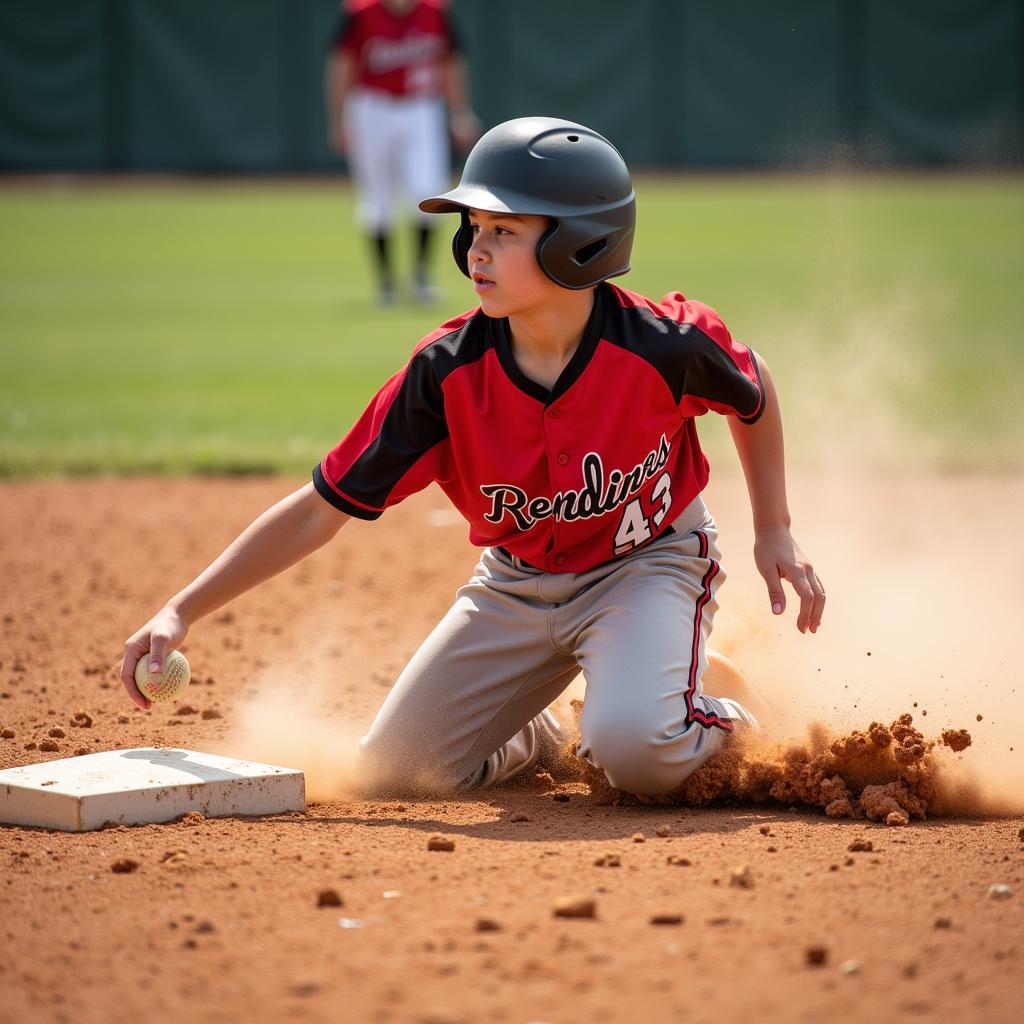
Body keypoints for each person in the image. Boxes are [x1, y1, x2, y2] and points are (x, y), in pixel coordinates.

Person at [120, 117, 825, 799]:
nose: (475, 250)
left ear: (580, 244)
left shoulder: (659, 345)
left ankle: (712, 708)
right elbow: (320, 510)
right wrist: (181, 611)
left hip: (644, 567)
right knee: (399, 773)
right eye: (475, 229)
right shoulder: (445, 374)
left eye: (504, 231)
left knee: (636, 753)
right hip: (514, 589)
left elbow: (751, 384)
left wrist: (774, 529)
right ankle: (544, 732)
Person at [324, 0, 479, 307]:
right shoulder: (361, 13)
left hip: (421, 107)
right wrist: (338, 119)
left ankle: (421, 278)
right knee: (377, 199)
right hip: (371, 107)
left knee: (427, 190)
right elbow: (342, 64)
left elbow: (451, 62)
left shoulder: (435, 12)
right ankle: (386, 283)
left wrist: (459, 110)